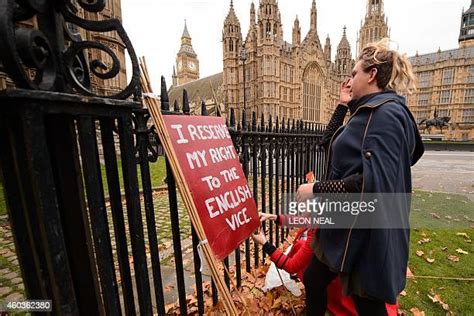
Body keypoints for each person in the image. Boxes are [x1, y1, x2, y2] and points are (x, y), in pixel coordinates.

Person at [295, 38, 424, 315]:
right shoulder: (364, 113)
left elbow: (371, 184)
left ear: (372, 74)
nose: (349, 78)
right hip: (345, 226)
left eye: (354, 73)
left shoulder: (386, 115)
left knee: (368, 304)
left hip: (365, 234)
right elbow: (328, 144)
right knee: (314, 279)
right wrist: (342, 105)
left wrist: (316, 188)